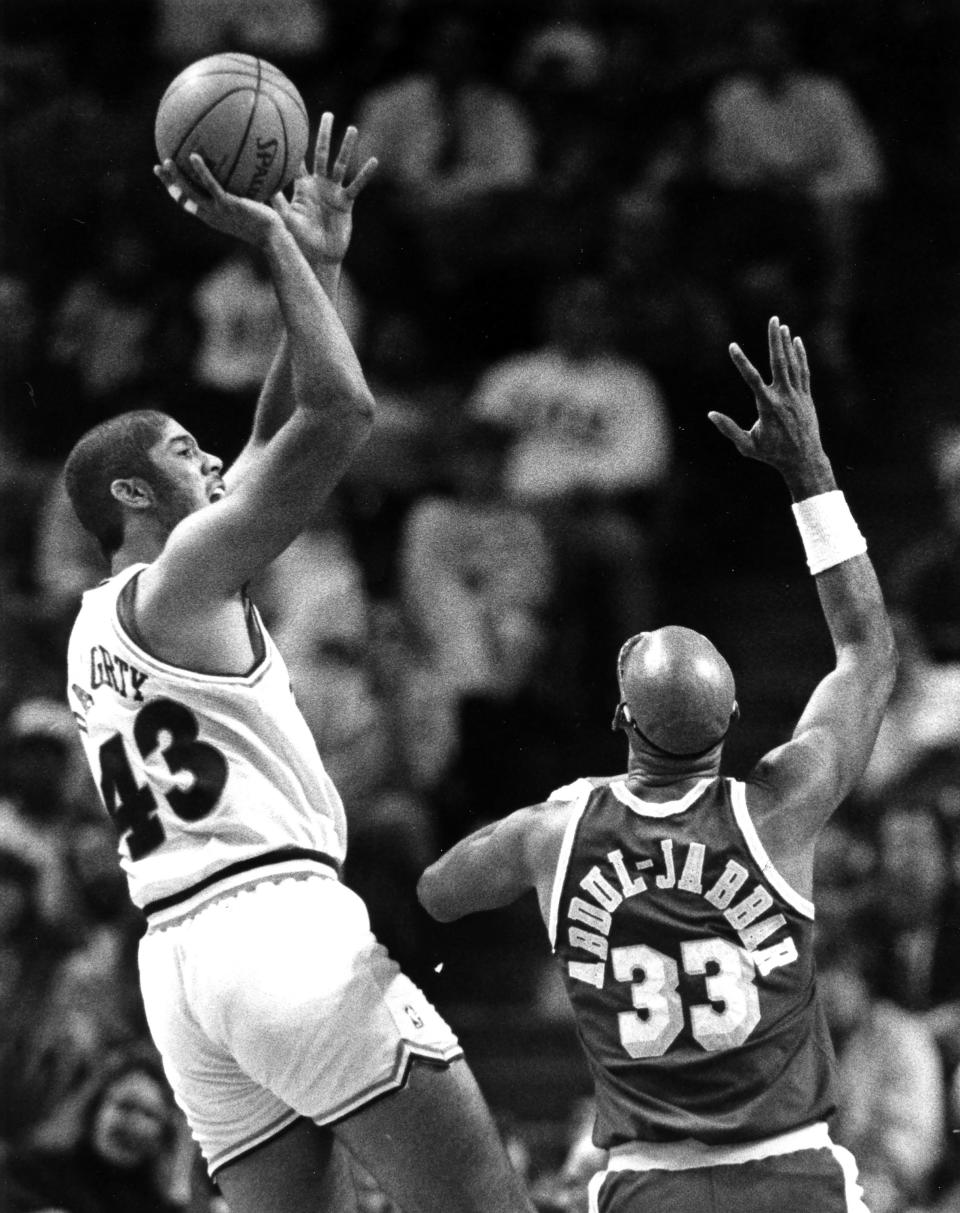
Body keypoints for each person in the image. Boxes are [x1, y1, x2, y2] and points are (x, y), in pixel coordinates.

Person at [61, 114, 534, 1213]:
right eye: (185, 449)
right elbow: (339, 411)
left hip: (179, 967)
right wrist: (268, 236)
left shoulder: (99, 624)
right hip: (278, 927)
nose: (215, 454)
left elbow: (272, 436)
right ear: (134, 495)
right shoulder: (184, 573)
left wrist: (314, 264)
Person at [418, 316, 898, 1212]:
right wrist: (811, 473)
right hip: (797, 1177)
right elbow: (867, 650)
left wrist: (551, 823)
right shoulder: (781, 807)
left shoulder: (553, 832)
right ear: (738, 721)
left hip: (649, 1187)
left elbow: (439, 893)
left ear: (616, 717)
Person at [1, 1046, 187, 1213]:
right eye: (125, 1106)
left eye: (150, 1114)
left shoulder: (159, 1205)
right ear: (95, 1107)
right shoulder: (32, 1173)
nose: (135, 1124)